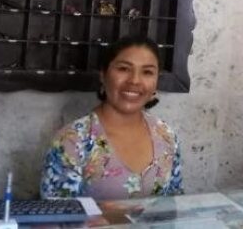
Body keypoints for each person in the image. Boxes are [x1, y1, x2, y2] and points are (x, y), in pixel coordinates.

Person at [40, 36, 183, 199]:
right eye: (124, 69)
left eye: (147, 72)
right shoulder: (73, 141)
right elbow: (56, 212)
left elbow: (175, 203)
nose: (135, 80)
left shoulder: (166, 136)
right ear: (103, 75)